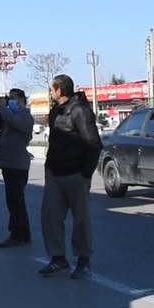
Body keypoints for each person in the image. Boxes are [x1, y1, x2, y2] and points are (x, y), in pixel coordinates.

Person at [39, 74, 102, 280]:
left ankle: (83, 260)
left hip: (76, 173)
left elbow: (93, 144)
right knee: (50, 216)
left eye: (52, 89)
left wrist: (85, 174)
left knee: (81, 219)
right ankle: (58, 258)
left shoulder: (80, 111)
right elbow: (54, 142)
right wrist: (48, 167)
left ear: (59, 90)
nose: (50, 92)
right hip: (55, 173)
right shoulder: (55, 112)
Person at [0, 88, 35, 248]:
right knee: (17, 201)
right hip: (9, 164)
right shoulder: (9, 115)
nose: (10, 101)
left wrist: (4, 107)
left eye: (13, 98)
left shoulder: (25, 117)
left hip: (17, 165)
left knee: (15, 201)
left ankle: (16, 234)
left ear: (22, 100)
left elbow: (12, 121)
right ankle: (24, 233)